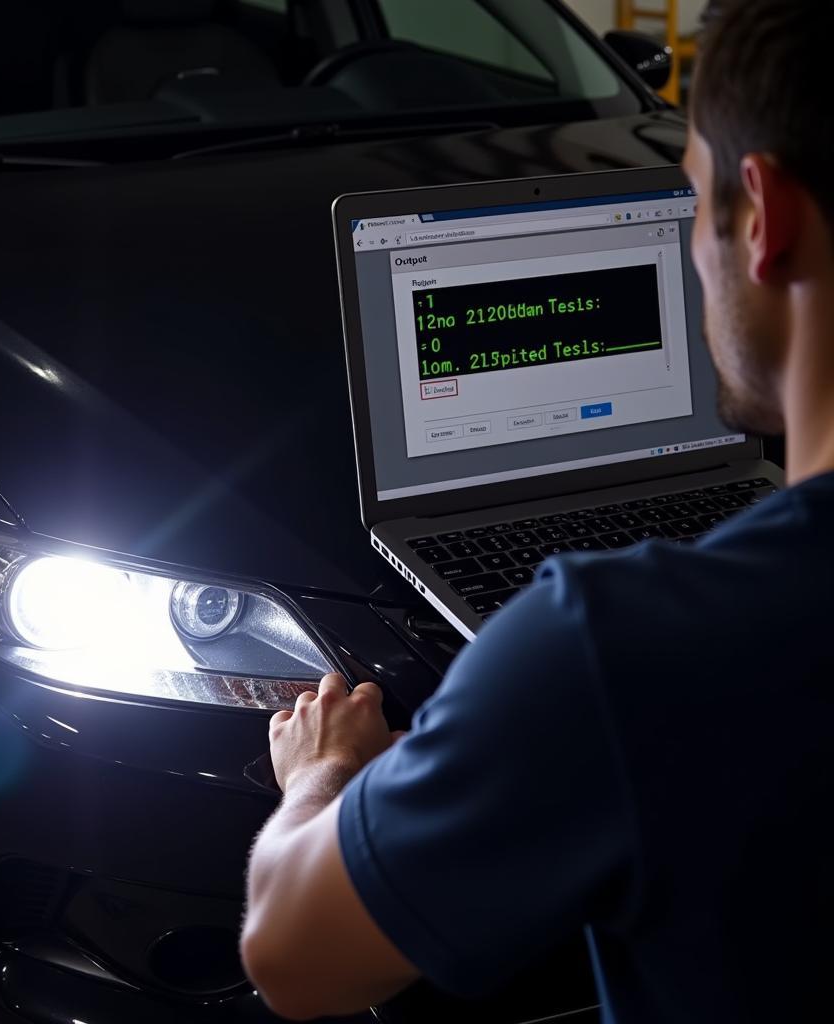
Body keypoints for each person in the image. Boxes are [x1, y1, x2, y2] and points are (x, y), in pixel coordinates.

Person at [240, 1, 834, 1020]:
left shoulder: (609, 647)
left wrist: (320, 771)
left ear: (763, 218)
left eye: (690, 201)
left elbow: (293, 953)